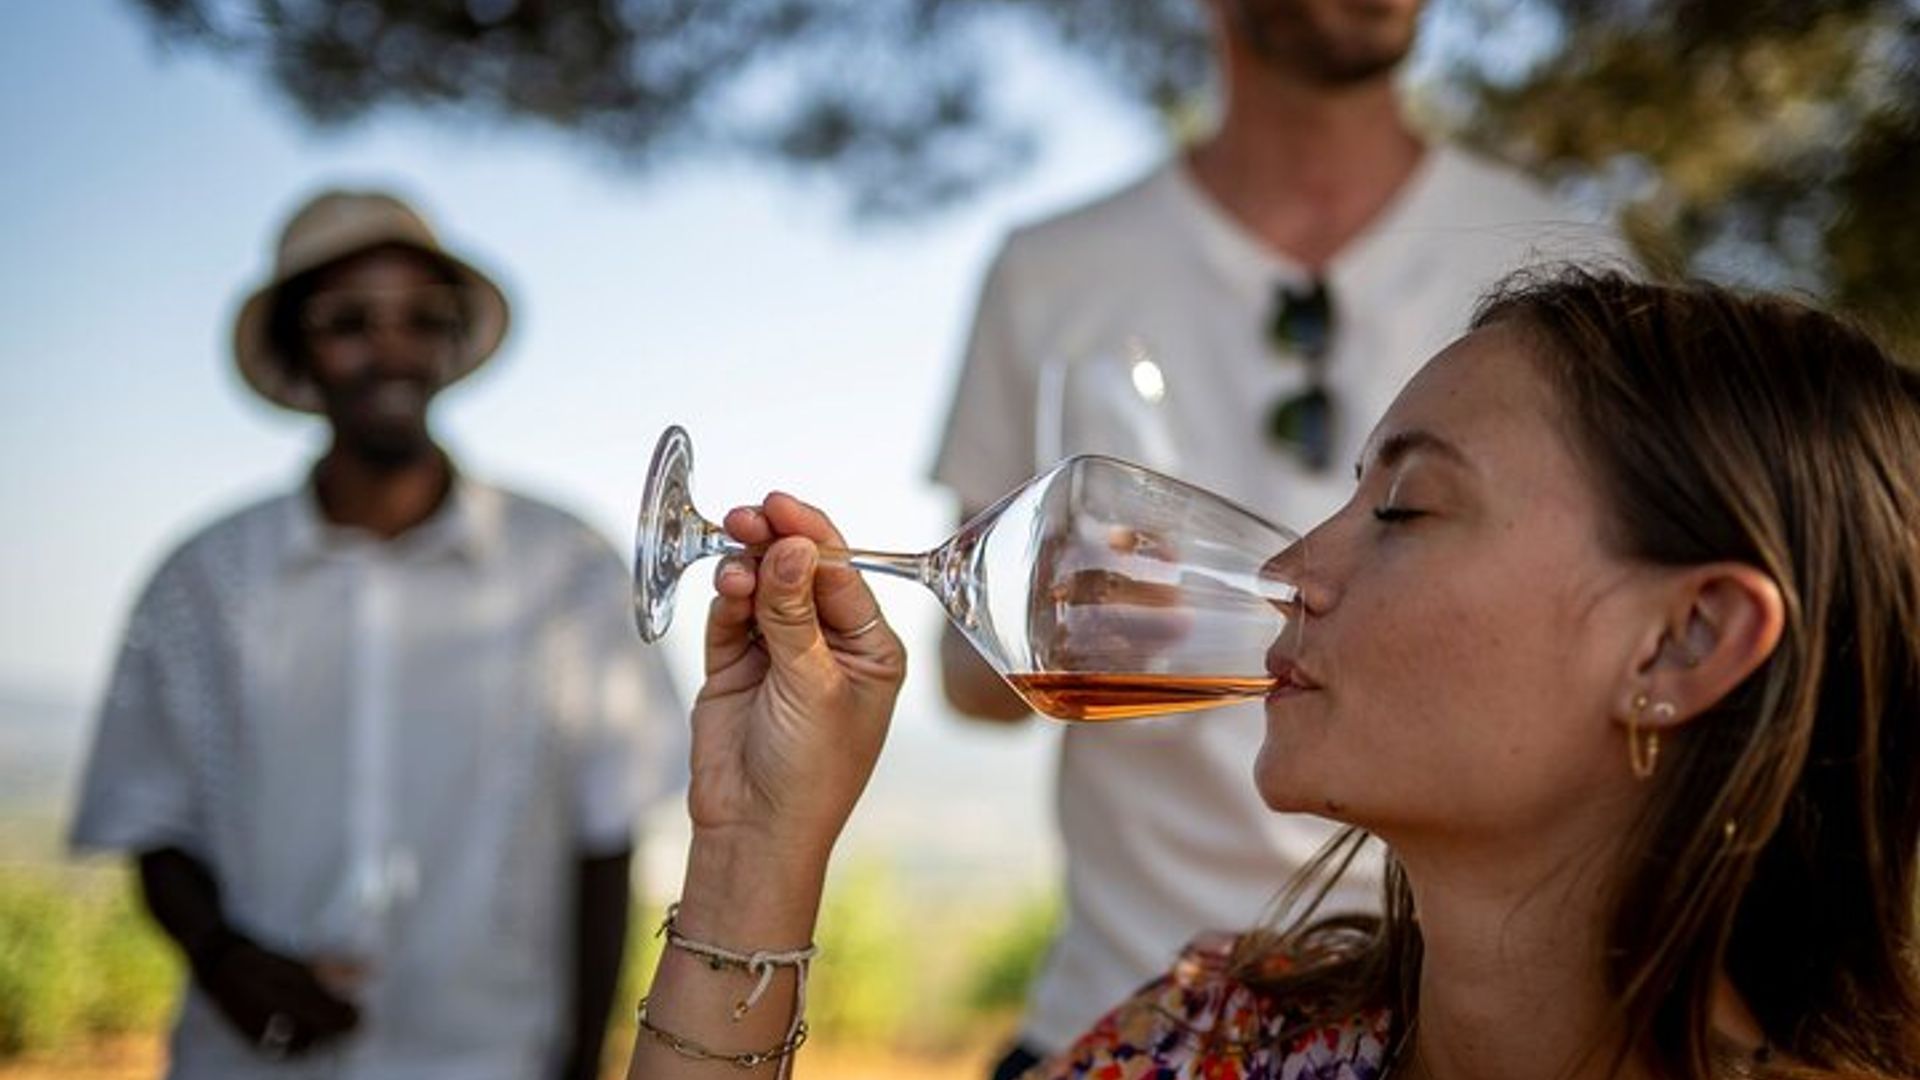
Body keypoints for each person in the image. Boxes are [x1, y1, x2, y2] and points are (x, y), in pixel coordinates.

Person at [629, 269, 1920, 1079]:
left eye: (1403, 508)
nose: (1292, 568)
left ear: (1681, 644)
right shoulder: (1221, 1036)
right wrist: (758, 848)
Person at [931, 1, 1624, 1070]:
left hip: (1453, 1034)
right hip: (1120, 1018)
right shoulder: (1050, 269)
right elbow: (966, 673)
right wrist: (1062, 621)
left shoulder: (1574, 264)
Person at [69, 188, 685, 1080]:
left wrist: (582, 1062)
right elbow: (153, 818)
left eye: (420, 318)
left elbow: (606, 837)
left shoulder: (565, 568)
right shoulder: (204, 581)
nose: (390, 349)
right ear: (296, 349)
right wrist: (223, 958)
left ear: (450, 340)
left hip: (492, 1061)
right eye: (348, 321)